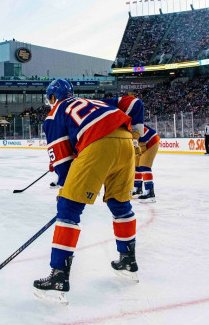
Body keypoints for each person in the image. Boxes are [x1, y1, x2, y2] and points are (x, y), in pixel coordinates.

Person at [33, 79, 139, 304]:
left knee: (68, 207)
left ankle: (59, 276)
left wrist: (66, 189)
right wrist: (137, 135)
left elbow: (62, 159)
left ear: (52, 97)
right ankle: (128, 261)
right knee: (120, 204)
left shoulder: (55, 113)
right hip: (126, 141)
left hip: (98, 142)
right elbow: (135, 104)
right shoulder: (94, 101)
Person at [101, 93, 159, 203]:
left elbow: (141, 138)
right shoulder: (124, 127)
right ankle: (137, 188)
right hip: (143, 143)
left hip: (151, 142)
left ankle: (150, 192)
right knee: (136, 166)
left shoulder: (129, 127)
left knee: (144, 166)